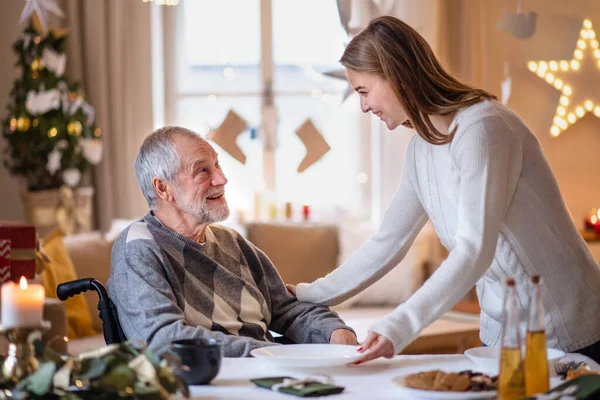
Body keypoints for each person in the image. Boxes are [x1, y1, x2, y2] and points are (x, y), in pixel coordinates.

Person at [287, 16, 600, 364]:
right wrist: (307, 294)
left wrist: (398, 325)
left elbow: (473, 250)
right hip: (504, 337)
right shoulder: (421, 150)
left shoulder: (484, 129)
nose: (363, 106)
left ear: (397, 76)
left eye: (364, 91)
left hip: (570, 331)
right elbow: (386, 244)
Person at [108, 126, 357, 357]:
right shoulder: (139, 247)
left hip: (266, 372)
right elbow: (164, 341)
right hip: (209, 383)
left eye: (217, 165)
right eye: (202, 170)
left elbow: (286, 307)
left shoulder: (231, 241)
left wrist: (334, 331)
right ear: (163, 188)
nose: (221, 179)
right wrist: (270, 354)